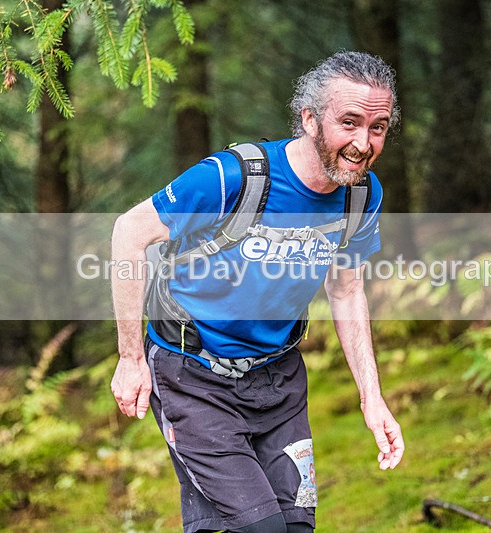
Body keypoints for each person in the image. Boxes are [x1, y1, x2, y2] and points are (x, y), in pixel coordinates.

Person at [109, 50, 405, 533]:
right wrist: (130, 357)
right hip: (193, 378)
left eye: (378, 128)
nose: (363, 143)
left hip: (278, 382)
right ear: (309, 119)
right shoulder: (233, 178)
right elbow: (129, 231)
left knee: (294, 527)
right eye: (349, 122)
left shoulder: (361, 195)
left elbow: (347, 290)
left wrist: (372, 398)